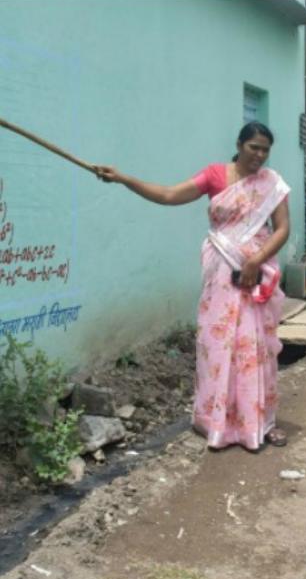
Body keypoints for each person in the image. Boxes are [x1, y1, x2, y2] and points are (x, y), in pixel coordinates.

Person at [95, 122, 290, 450]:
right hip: (221, 272)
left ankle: (260, 421)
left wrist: (256, 260)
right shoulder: (215, 175)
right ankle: (217, 422)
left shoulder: (272, 183)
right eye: (254, 147)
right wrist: (124, 179)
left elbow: (282, 229)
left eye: (265, 149)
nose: (259, 155)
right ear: (240, 144)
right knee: (218, 343)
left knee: (254, 347)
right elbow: (170, 195)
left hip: (254, 274)